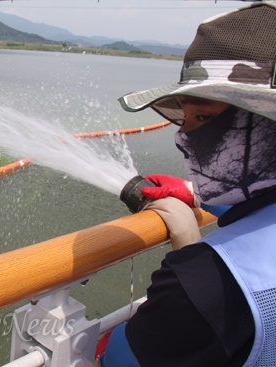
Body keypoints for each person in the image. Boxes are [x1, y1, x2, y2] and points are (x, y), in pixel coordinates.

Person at [97, 3, 276, 366]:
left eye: (204, 116)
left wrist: (186, 250)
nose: (182, 137)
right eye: (186, 115)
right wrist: (196, 195)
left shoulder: (208, 284)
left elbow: (117, 357)